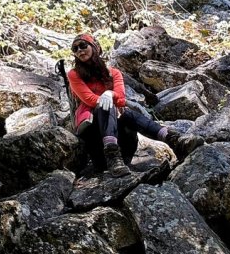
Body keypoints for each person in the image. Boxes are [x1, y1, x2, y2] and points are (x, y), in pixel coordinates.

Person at [67, 33, 203, 176]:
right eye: (75, 49)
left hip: (123, 144)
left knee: (127, 113)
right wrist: (108, 100)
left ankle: (174, 140)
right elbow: (88, 99)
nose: (79, 51)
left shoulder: (114, 73)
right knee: (105, 106)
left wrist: (110, 94)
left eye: (83, 45)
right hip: (94, 136)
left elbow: (121, 98)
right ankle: (112, 156)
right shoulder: (74, 74)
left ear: (95, 47)